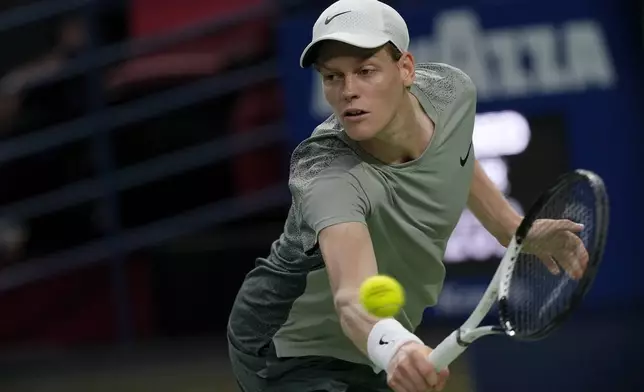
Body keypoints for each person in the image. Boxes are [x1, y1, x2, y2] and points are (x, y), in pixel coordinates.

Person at [227, 1, 589, 391]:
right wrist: (397, 348)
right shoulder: (327, 173)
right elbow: (351, 296)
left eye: (366, 71)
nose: (348, 91)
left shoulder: (452, 93)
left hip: (375, 344)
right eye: (332, 77)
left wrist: (515, 229)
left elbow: (457, 159)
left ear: (406, 69)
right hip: (287, 345)